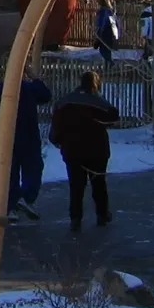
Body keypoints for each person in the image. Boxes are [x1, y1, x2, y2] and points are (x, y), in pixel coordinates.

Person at [49, 70, 120, 231]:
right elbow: (113, 116)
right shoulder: (98, 102)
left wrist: (58, 141)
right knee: (99, 184)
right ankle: (102, 215)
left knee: (76, 186)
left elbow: (56, 127)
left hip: (72, 151)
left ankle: (75, 218)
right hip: (97, 151)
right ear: (95, 84)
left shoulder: (64, 103)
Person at [0, 64, 53, 221]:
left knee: (10, 173)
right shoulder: (27, 89)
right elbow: (46, 96)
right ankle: (24, 198)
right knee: (32, 170)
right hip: (27, 138)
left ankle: (14, 204)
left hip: (7, 139)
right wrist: (36, 78)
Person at [94, 0, 120, 65]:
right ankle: (107, 67)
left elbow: (101, 24)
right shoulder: (111, 12)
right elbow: (115, 24)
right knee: (107, 51)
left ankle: (111, 64)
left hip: (105, 33)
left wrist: (98, 34)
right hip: (112, 34)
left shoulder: (103, 12)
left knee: (103, 51)